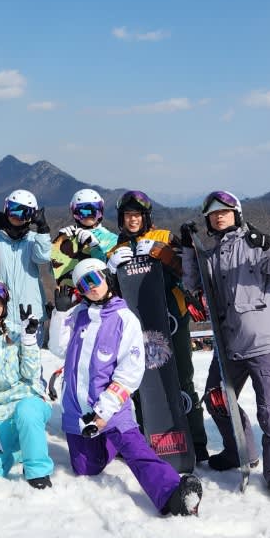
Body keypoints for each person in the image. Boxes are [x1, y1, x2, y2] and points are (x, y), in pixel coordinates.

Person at [54, 258, 203, 516]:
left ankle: (172, 494)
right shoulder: (78, 315)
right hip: (77, 410)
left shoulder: (124, 319)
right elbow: (58, 348)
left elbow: (129, 373)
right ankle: (109, 444)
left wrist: (103, 413)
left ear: (107, 278)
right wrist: (59, 313)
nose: (90, 287)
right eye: (83, 285)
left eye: (94, 279)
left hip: (111, 409)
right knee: (84, 467)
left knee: (135, 450)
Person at [181, 190, 270, 495]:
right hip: (228, 344)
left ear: (237, 214)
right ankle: (240, 452)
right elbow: (193, 285)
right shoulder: (211, 254)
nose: (219, 217)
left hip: (263, 343)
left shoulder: (254, 245)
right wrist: (188, 250)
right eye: (213, 214)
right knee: (216, 398)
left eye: (225, 211)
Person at [109, 188, 208, 464]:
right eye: (128, 216)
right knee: (142, 382)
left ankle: (196, 441)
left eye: (137, 215)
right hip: (138, 323)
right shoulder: (117, 248)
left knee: (182, 378)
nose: (132, 221)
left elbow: (187, 271)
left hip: (172, 317)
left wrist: (162, 254)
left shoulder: (163, 237)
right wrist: (110, 270)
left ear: (146, 217)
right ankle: (146, 437)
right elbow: (111, 293)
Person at [0, 277, 55, 489]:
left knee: (26, 411)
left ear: (4, 307)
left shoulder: (17, 332)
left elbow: (31, 374)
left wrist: (29, 341)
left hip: (28, 402)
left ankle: (37, 470)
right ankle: (22, 448)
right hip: (0, 415)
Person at [0, 188, 52, 342]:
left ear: (32, 216)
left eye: (24, 212)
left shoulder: (34, 240)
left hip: (31, 315)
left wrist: (43, 229)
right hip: (1, 313)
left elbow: (42, 257)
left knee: (31, 362)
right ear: (6, 210)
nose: (17, 217)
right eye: (14, 210)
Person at [50, 188, 117, 308]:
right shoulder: (69, 236)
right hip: (73, 300)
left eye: (93, 211)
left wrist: (94, 246)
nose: (88, 216)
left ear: (100, 211)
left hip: (100, 298)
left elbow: (111, 272)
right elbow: (56, 273)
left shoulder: (112, 239)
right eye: (82, 212)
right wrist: (60, 245)